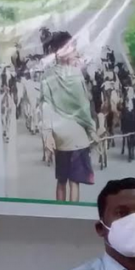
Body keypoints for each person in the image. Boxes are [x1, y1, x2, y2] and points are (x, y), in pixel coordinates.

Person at [40, 31, 97, 203]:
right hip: (77, 135)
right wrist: (92, 130)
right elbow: (83, 107)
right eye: (72, 47)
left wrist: (48, 134)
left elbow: (46, 105)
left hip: (59, 136)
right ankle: (73, 213)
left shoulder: (47, 75)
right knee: (74, 183)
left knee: (61, 181)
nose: (74, 50)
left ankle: (59, 211)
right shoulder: (76, 74)